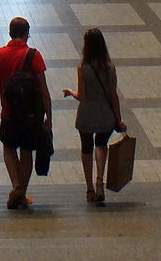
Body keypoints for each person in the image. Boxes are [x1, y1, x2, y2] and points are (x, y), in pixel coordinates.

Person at [0, 17, 52, 210]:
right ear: (26, 34)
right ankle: (21, 193)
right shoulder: (34, 56)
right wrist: (49, 116)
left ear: (9, 33)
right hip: (31, 116)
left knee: (8, 147)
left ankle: (16, 186)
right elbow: (44, 89)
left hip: (9, 113)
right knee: (26, 151)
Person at [62, 28, 125, 204]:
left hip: (87, 115)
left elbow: (81, 96)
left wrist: (70, 92)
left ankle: (89, 188)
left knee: (86, 148)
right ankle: (99, 180)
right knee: (101, 144)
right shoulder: (111, 68)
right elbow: (113, 95)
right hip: (106, 115)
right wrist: (118, 120)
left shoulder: (83, 68)